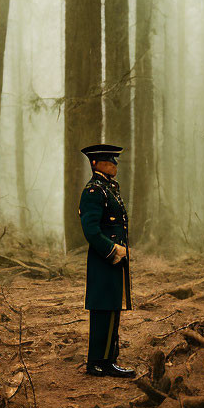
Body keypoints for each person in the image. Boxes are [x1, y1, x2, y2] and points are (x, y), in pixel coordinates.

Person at [78, 144, 135, 378]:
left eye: (114, 160)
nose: (115, 164)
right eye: (109, 160)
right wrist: (112, 251)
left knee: (112, 308)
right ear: (95, 164)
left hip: (114, 260)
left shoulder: (108, 188)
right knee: (103, 309)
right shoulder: (93, 191)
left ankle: (108, 360)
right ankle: (97, 363)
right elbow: (90, 230)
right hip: (104, 259)